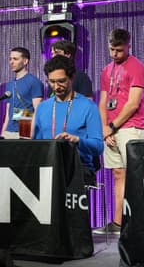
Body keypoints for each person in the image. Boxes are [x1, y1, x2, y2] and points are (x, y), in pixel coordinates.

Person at [96, 29, 144, 235]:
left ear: (128, 46)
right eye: (111, 49)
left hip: (131, 127)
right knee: (118, 174)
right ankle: (117, 222)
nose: (114, 54)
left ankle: (138, 225)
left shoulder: (137, 67)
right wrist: (104, 130)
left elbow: (133, 103)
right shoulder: (106, 70)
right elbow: (102, 102)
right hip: (111, 130)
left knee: (135, 177)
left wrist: (113, 126)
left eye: (119, 50)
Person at [33, 55, 103, 183]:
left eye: (61, 81)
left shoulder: (88, 107)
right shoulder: (42, 108)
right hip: (48, 168)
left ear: (71, 78)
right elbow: (36, 145)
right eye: (51, 81)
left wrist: (77, 140)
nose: (56, 86)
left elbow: (98, 146)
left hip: (78, 169)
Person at [0, 47, 43, 139]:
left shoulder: (34, 82)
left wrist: (30, 132)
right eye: (10, 59)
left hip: (25, 130)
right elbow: (8, 111)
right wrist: (3, 132)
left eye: (15, 59)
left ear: (25, 61)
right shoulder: (9, 84)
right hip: (8, 131)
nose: (11, 62)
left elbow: (38, 110)